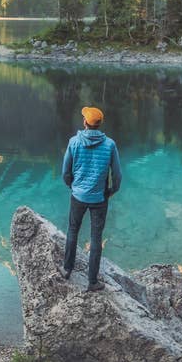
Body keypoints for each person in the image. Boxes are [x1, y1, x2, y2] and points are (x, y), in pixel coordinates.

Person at [60, 105, 122, 292]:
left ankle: (67, 269)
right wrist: (112, 191)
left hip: (78, 195)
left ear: (85, 122)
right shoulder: (110, 145)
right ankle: (92, 281)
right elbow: (117, 174)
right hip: (99, 198)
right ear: (100, 124)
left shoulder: (74, 142)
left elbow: (65, 172)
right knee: (96, 238)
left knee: (73, 231)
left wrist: (72, 186)